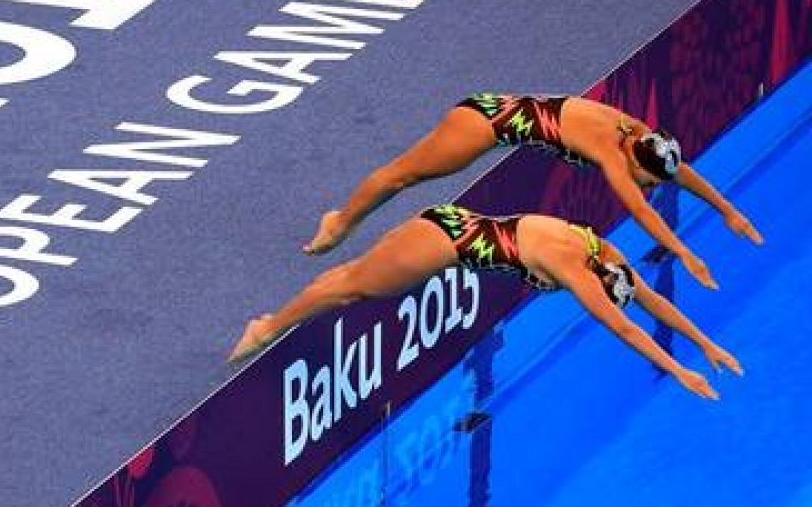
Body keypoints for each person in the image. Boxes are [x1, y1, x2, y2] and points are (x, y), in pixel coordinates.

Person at [231, 203, 742, 399]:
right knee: (351, 289)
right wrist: (679, 371)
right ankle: (268, 327)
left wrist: (706, 345)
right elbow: (627, 328)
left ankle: (274, 319)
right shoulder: (578, 272)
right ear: (598, 285)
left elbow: (649, 300)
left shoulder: (598, 250)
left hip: (450, 223)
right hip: (442, 247)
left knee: (350, 276)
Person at [302, 94, 763, 289]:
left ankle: (343, 221)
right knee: (405, 174)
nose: (655, 186)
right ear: (634, 162)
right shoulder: (608, 148)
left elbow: (679, 172)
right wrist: (684, 253)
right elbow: (640, 212)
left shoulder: (638, 136)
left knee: (410, 176)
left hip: (496, 122)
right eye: (651, 180)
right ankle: (339, 221)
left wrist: (727, 209)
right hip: (484, 123)